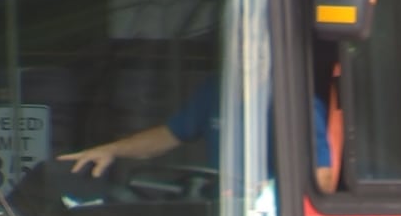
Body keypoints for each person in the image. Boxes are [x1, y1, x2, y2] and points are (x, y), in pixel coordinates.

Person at [57, 75, 338, 194]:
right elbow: (168, 135)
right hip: (218, 214)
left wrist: (268, 195)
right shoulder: (217, 90)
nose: (242, 47)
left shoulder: (297, 102)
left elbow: (323, 179)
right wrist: (111, 150)